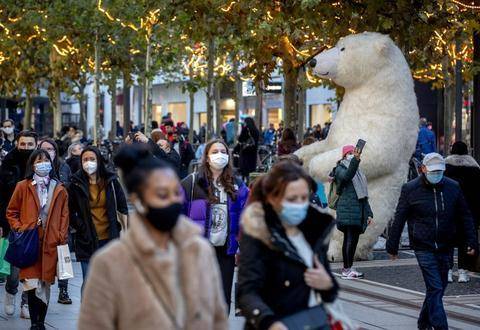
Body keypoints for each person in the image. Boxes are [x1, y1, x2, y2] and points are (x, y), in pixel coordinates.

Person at [78, 144, 227, 329]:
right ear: (137, 200)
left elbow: (218, 318)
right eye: (162, 195)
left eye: (176, 193)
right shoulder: (110, 262)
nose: (173, 201)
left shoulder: (199, 250)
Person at [237, 161, 338, 329]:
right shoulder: (259, 232)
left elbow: (328, 290)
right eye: (292, 199)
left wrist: (327, 284)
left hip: (314, 322)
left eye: (304, 198)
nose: (299, 204)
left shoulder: (315, 230)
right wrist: (268, 321)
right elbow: (246, 292)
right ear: (272, 198)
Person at [387, 152, 478, 330]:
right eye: (433, 171)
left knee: (439, 286)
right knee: (435, 287)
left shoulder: (453, 187)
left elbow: (465, 215)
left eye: (439, 171)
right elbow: (399, 218)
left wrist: (472, 241)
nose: (436, 174)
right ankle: (440, 326)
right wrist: (392, 245)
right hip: (423, 245)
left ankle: (423, 322)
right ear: (423, 169)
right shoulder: (410, 189)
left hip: (446, 244)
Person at [182, 139, 249, 311]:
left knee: (223, 301)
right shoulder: (191, 184)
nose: (220, 155)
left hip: (225, 252)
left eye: (223, 151)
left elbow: (248, 218)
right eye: (214, 152)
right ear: (206, 157)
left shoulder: (238, 185)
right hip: (199, 251)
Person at [6, 149, 69, 330]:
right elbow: (11, 212)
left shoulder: (59, 188)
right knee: (31, 284)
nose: (43, 163)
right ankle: (35, 324)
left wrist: (60, 236)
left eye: (46, 159)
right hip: (29, 242)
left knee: (45, 285)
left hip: (51, 244)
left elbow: (65, 216)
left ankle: (41, 322)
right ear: (32, 164)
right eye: (39, 160)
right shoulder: (23, 186)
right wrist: (21, 228)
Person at [67, 146, 128, 291]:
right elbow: (69, 211)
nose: (89, 162)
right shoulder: (75, 183)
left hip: (109, 238)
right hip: (86, 239)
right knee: (88, 282)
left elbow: (122, 207)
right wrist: (81, 226)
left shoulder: (111, 181)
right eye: (85, 160)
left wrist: (121, 229)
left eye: (92, 159)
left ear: (99, 160)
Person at [0, 130, 38, 318]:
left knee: (32, 268)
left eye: (29, 144)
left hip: (36, 223)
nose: (26, 148)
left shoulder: (41, 163)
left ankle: (26, 303)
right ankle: (10, 291)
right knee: (15, 268)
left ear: (35, 145)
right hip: (13, 222)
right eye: (22, 144)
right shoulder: (7, 163)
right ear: (17, 144)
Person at [38, 139, 73, 304]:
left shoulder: (62, 166)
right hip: (41, 222)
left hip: (60, 220)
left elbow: (67, 187)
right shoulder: (35, 167)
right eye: (44, 149)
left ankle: (63, 290)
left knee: (63, 255)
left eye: (50, 149)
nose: (47, 152)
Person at [333, 145, 374, 279]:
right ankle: (346, 269)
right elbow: (346, 177)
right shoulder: (339, 169)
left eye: (354, 152)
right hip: (347, 210)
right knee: (349, 238)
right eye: (349, 153)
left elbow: (363, 195)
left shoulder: (358, 172)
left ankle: (349, 267)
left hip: (358, 210)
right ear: (344, 155)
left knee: (353, 240)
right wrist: (356, 160)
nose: (352, 154)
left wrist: (368, 213)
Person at [444, 141, 480, 283]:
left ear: (452, 151)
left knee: (447, 241)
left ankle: (447, 270)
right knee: (465, 241)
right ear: (467, 152)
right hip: (468, 212)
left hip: (449, 210)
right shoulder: (475, 169)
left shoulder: (446, 168)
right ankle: (463, 272)